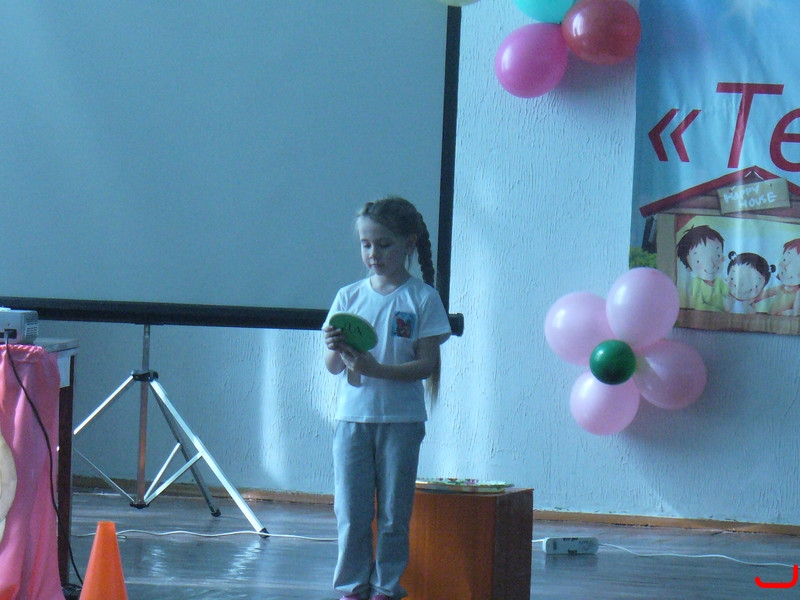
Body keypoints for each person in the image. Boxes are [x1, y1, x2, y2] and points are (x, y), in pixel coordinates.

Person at [323, 196, 451, 600]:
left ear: (409, 243)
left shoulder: (422, 298)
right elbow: (333, 366)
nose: (373, 254)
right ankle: (352, 587)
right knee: (351, 512)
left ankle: (385, 587)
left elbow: (425, 365)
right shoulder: (348, 296)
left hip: (401, 422)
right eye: (366, 245)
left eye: (384, 244)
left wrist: (377, 369)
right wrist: (335, 348)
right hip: (352, 420)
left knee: (395, 514)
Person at [675, 224, 728, 311]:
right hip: (705, 317)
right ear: (689, 267)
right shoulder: (695, 283)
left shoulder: (719, 281)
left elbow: (728, 293)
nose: (711, 264)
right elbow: (699, 305)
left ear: (723, 257)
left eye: (717, 255)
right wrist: (719, 312)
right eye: (699, 261)